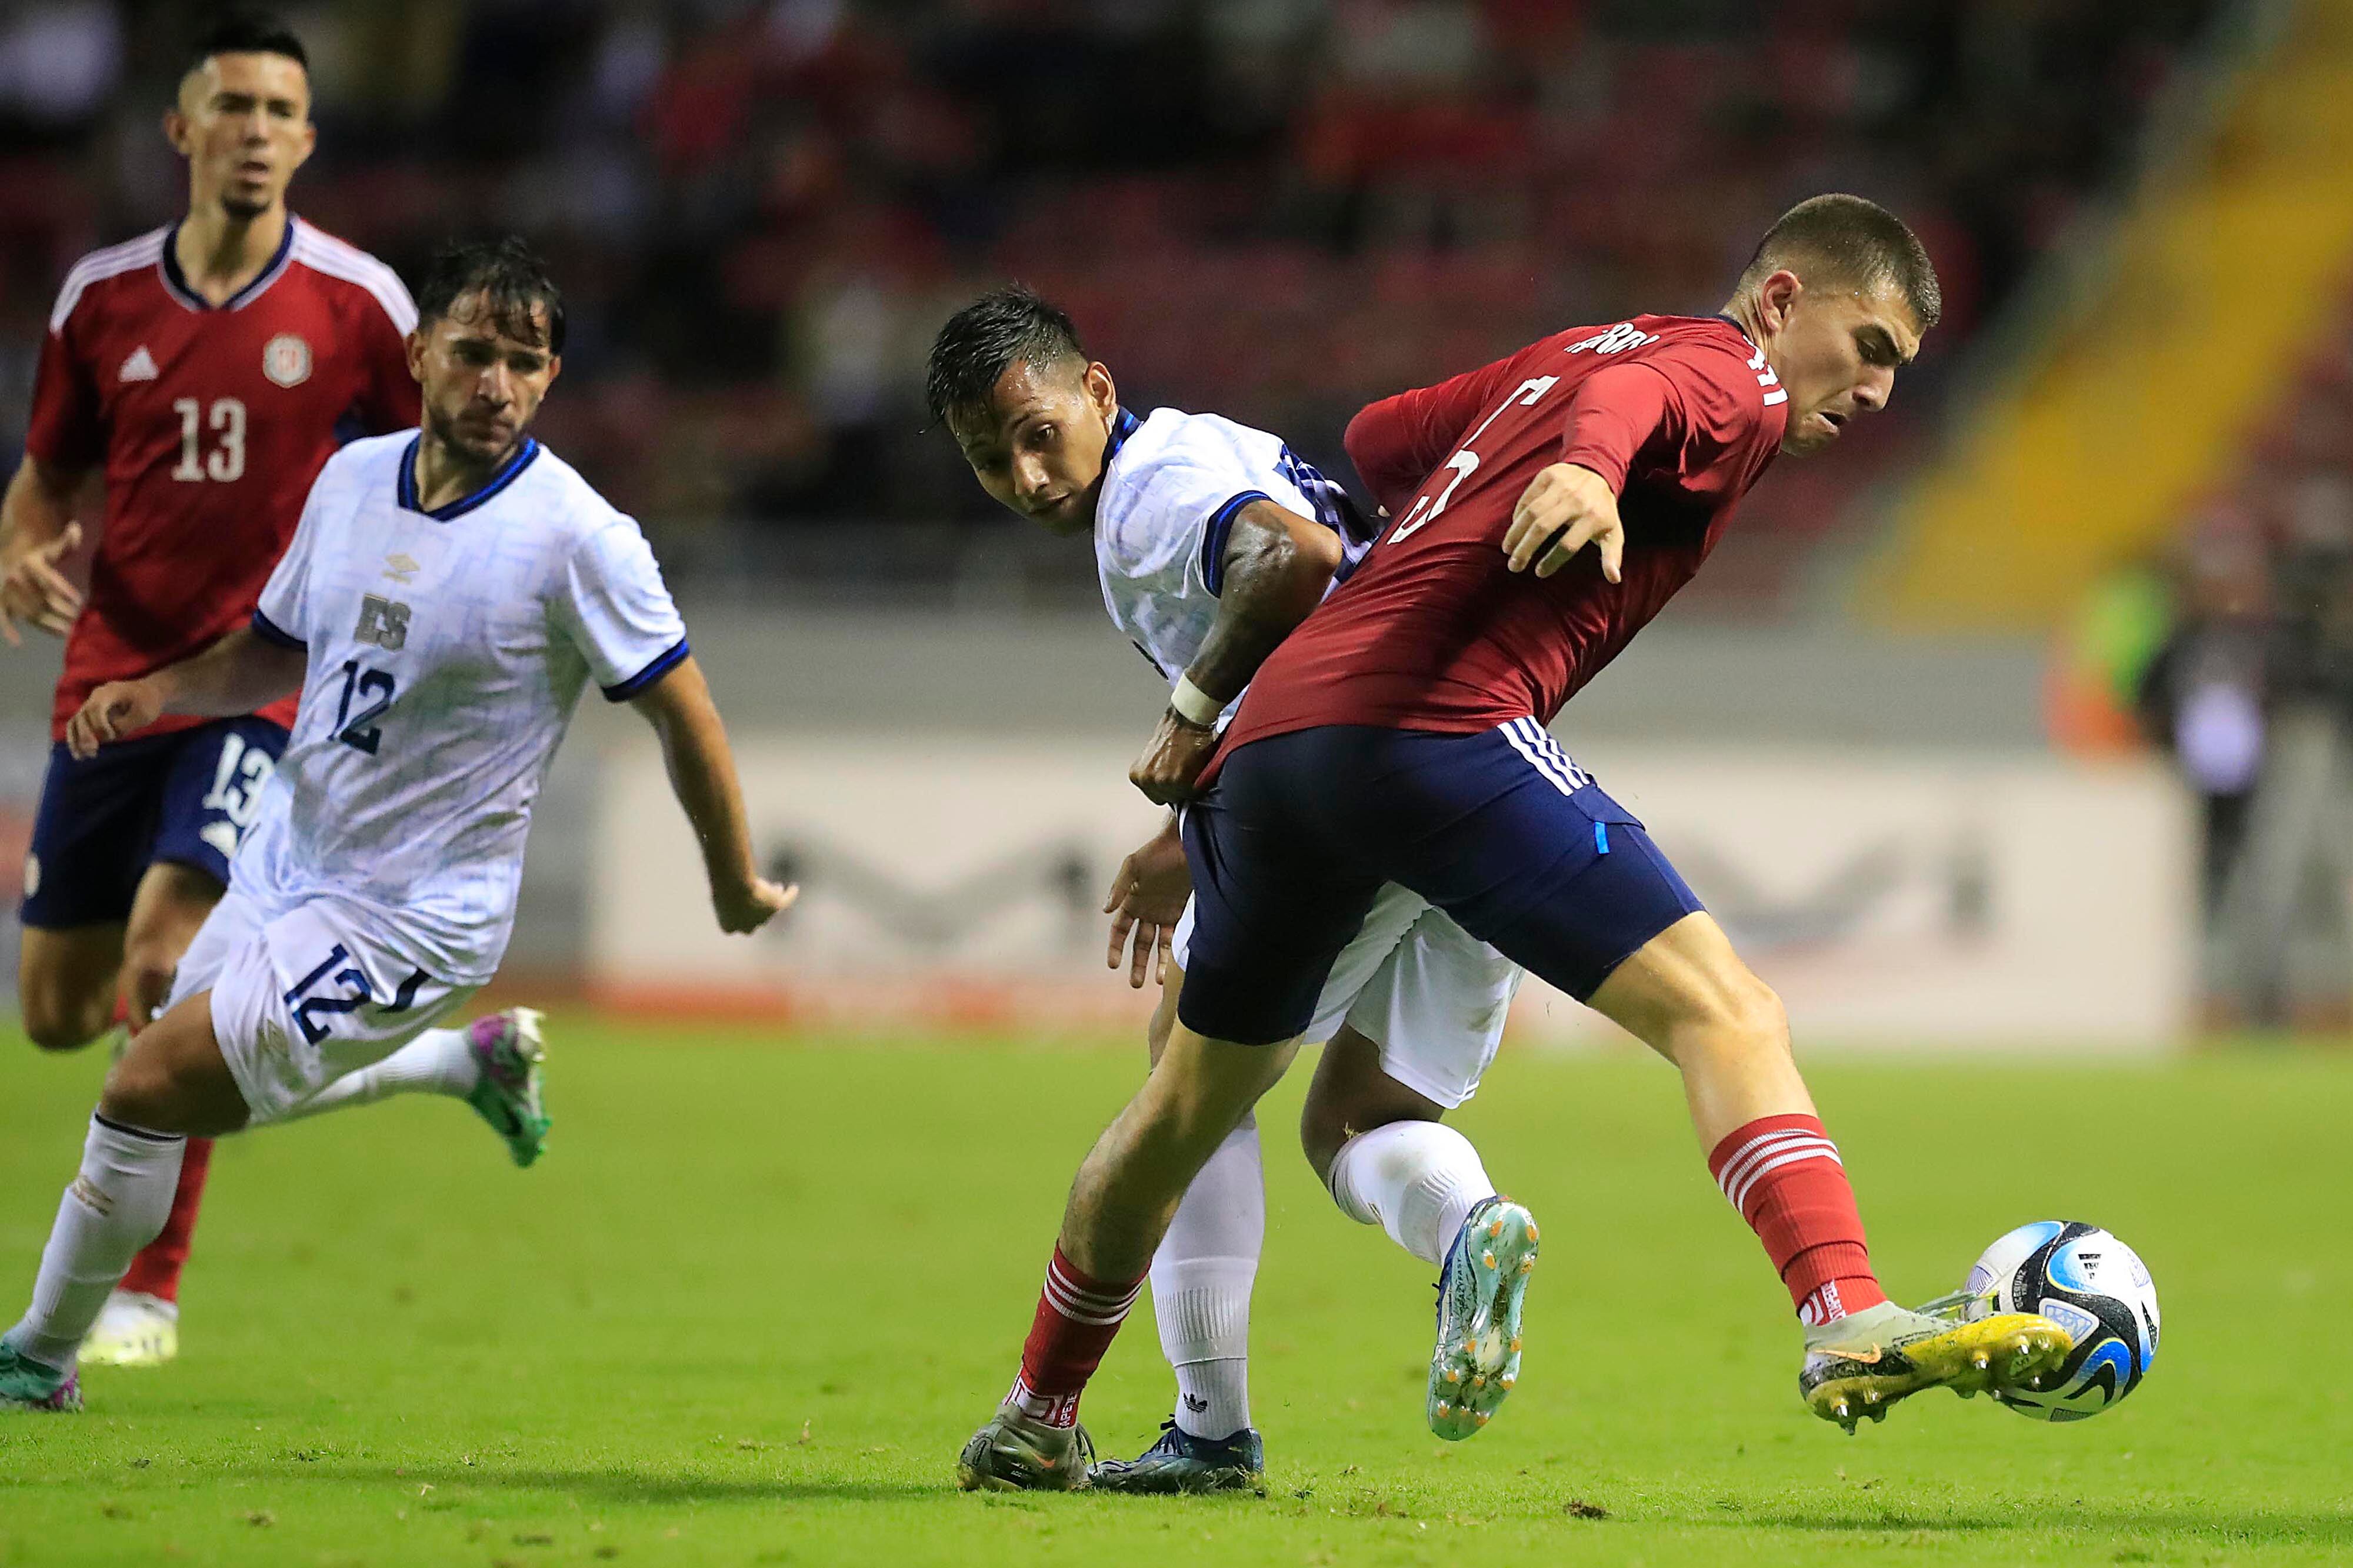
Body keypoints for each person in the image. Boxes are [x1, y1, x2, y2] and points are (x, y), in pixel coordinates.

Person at [958, 195, 2075, 1490]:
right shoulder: (1740, 375)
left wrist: (1493, 485)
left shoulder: (1579, 347)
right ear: (1781, 300)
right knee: (1728, 1012)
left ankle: (1040, 1410)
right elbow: (1645, 405)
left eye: (1896, 368)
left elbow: (1384, 436)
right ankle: (1846, 1312)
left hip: (1273, 750)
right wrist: (1587, 471)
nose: (1876, 390)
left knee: (1178, 1112)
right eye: (1869, 347)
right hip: (1432, 726)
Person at [0, 237, 792, 1414]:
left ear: (550, 379)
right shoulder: (352, 479)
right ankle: (462, 1063)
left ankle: (34, 1358)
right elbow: (276, 648)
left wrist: (732, 880)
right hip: (286, 858)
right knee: (165, 1076)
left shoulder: (579, 538)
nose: (495, 383)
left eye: (523, 362)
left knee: (145, 1083)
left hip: (411, 916)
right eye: (472, 353)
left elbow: (686, 712)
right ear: (418, 354)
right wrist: (158, 691)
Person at [928, 289, 1529, 1493]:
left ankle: (1205, 1429)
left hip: (1358, 779)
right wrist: (1185, 828)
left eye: (1039, 434)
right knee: (1351, 1121)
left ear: (1097, 390)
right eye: (993, 461)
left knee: (1186, 1091)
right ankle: (1467, 1221)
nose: (1028, 476)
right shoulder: (1201, 447)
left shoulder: (1146, 494)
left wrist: (1188, 718)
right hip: (1481, 769)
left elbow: (1293, 559)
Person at [0, 11, 430, 1367]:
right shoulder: (100, 300)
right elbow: (46, 479)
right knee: (56, 1011)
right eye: (232, 106)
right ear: (180, 129)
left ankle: (148, 1287)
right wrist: (18, 550)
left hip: (264, 684)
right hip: (111, 679)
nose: (255, 131)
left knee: (166, 962)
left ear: (307, 140)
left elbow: (427, 490)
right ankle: (429, 1063)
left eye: (279, 111)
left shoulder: (361, 305)